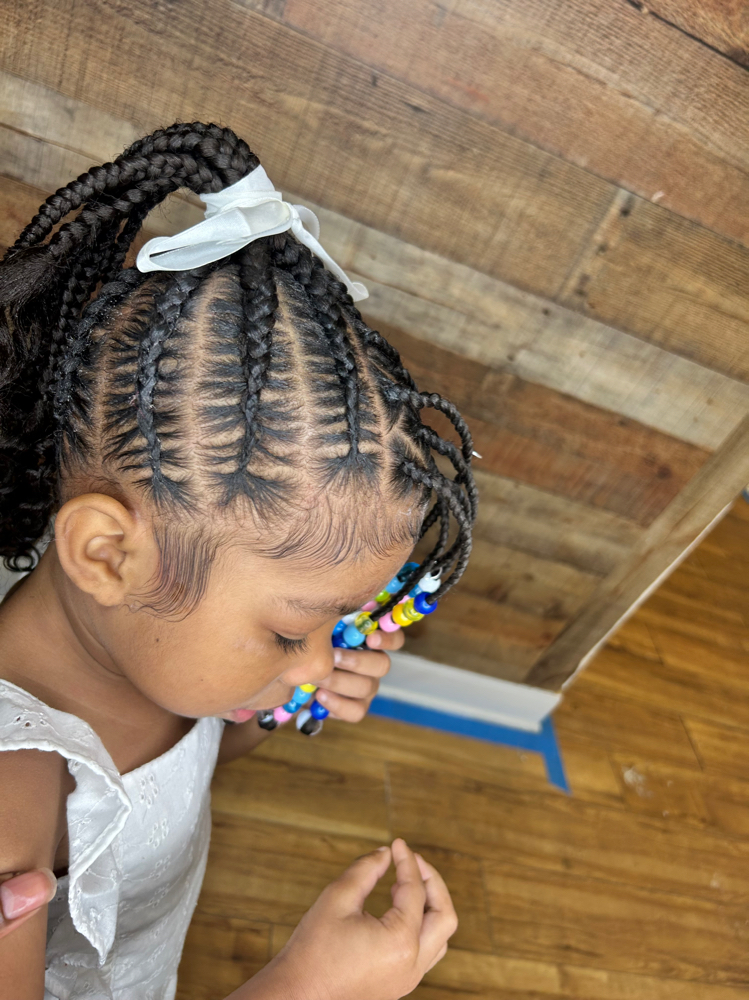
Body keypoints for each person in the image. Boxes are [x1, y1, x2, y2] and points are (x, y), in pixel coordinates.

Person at [0, 122, 477, 1000]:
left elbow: (174, 773)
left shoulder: (139, 632)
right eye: (294, 627)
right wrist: (300, 990)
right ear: (107, 554)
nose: (325, 656)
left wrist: (266, 705)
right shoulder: (8, 794)